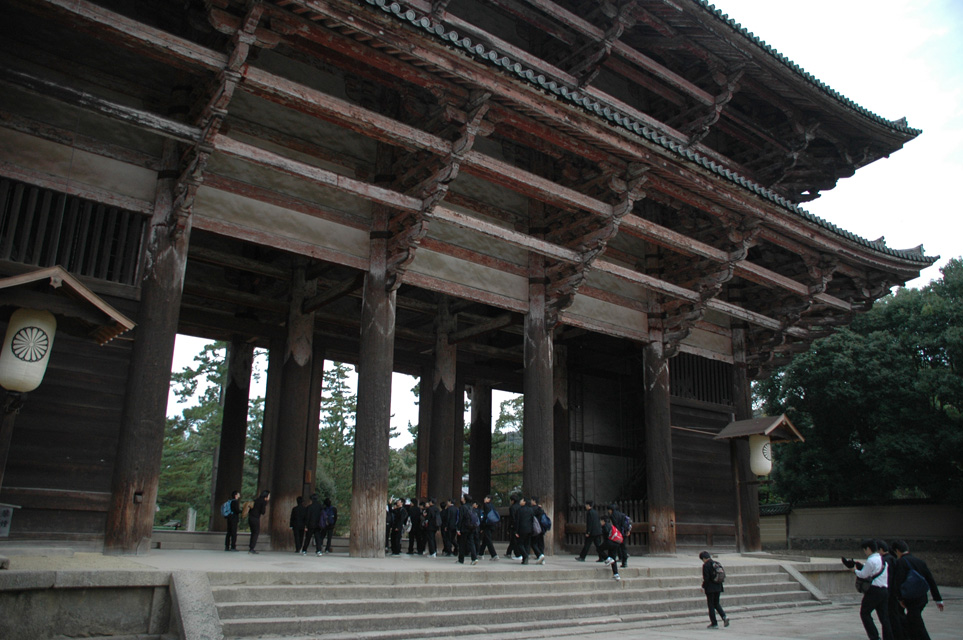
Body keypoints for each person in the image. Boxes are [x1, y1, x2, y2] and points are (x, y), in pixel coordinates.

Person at [891, 539, 944, 640]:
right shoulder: (920, 562)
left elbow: (897, 582)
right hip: (922, 598)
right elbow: (930, 580)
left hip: (910, 599)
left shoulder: (901, 562)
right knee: (912, 621)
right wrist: (938, 599)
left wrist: (900, 598)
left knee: (916, 622)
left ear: (897, 551)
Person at [844, 538, 893, 640]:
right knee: (884, 617)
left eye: (865, 550)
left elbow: (863, 575)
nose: (865, 552)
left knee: (865, 613)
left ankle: (874, 637)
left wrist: (854, 570)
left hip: (874, 591)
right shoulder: (882, 559)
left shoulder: (871, 560)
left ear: (868, 549)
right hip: (884, 590)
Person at [700, 551, 728, 628]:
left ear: (704, 558)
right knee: (716, 603)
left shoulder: (706, 565)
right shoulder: (717, 563)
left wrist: (703, 586)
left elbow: (706, 578)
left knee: (711, 605)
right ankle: (724, 617)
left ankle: (714, 623)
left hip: (710, 588)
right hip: (718, 586)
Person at [456, 494, 479, 565]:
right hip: (472, 527)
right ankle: (474, 558)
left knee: (462, 544)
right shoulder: (472, 508)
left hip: (464, 528)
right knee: (471, 543)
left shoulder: (462, 507)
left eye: (463, 497)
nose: (462, 498)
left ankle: (461, 559)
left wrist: (458, 529)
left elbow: (460, 519)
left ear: (465, 499)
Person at [599, 515, 621, 581]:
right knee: (613, 558)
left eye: (601, 521)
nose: (600, 522)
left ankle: (607, 558)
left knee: (599, 549)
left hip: (610, 542)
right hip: (616, 543)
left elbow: (606, 532)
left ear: (603, 521)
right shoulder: (611, 525)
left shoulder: (605, 526)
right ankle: (616, 574)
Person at [607, 503, 629, 569]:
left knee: (614, 547)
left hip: (618, 533)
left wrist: (617, 533)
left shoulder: (612, 515)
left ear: (611, 510)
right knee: (623, 547)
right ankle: (624, 562)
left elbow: (615, 525)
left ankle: (612, 560)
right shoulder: (622, 514)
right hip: (624, 533)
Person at [513, 496, 534, 565]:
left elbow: (517, 521)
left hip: (521, 529)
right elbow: (532, 520)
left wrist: (516, 531)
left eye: (522, 500)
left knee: (520, 544)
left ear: (524, 502)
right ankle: (525, 559)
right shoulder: (531, 510)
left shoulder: (520, 510)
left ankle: (525, 556)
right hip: (529, 529)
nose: (520, 501)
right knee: (527, 544)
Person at [248, 489, 270, 554]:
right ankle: (252, 548)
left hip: (250, 518)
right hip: (255, 518)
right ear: (266, 496)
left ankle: (251, 547)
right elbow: (263, 512)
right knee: (256, 533)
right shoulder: (263, 502)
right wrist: (265, 504)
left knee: (253, 533)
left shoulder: (256, 500)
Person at [479, 495, 499, 561]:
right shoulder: (492, 506)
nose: (484, 499)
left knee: (488, 540)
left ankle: (494, 555)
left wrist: (482, 526)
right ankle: (480, 554)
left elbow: (485, 516)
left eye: (486, 498)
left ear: (489, 499)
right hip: (493, 524)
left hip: (488, 524)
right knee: (485, 539)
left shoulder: (486, 505)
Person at [530, 496, 546, 565]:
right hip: (541, 528)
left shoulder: (532, 509)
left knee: (533, 543)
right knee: (540, 543)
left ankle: (540, 555)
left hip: (535, 528)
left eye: (531, 500)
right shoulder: (540, 509)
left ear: (534, 501)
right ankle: (541, 555)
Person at [505, 494, 521, 560]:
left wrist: (509, 528)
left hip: (514, 525)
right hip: (520, 525)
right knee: (513, 540)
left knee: (514, 540)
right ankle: (508, 552)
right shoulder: (520, 507)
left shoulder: (512, 508)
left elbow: (512, 518)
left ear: (512, 501)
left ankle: (518, 554)